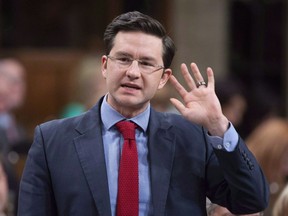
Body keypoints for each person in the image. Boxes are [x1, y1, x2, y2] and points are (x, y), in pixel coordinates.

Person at [18, 11, 269, 216]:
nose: (133, 72)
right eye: (124, 59)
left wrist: (218, 124)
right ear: (105, 66)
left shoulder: (192, 137)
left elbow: (252, 199)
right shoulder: (52, 140)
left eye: (147, 63)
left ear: (163, 78)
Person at [246, 117, 288, 215]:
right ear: (269, 154)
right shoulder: (238, 183)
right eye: (285, 162)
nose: (286, 171)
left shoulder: (274, 189)